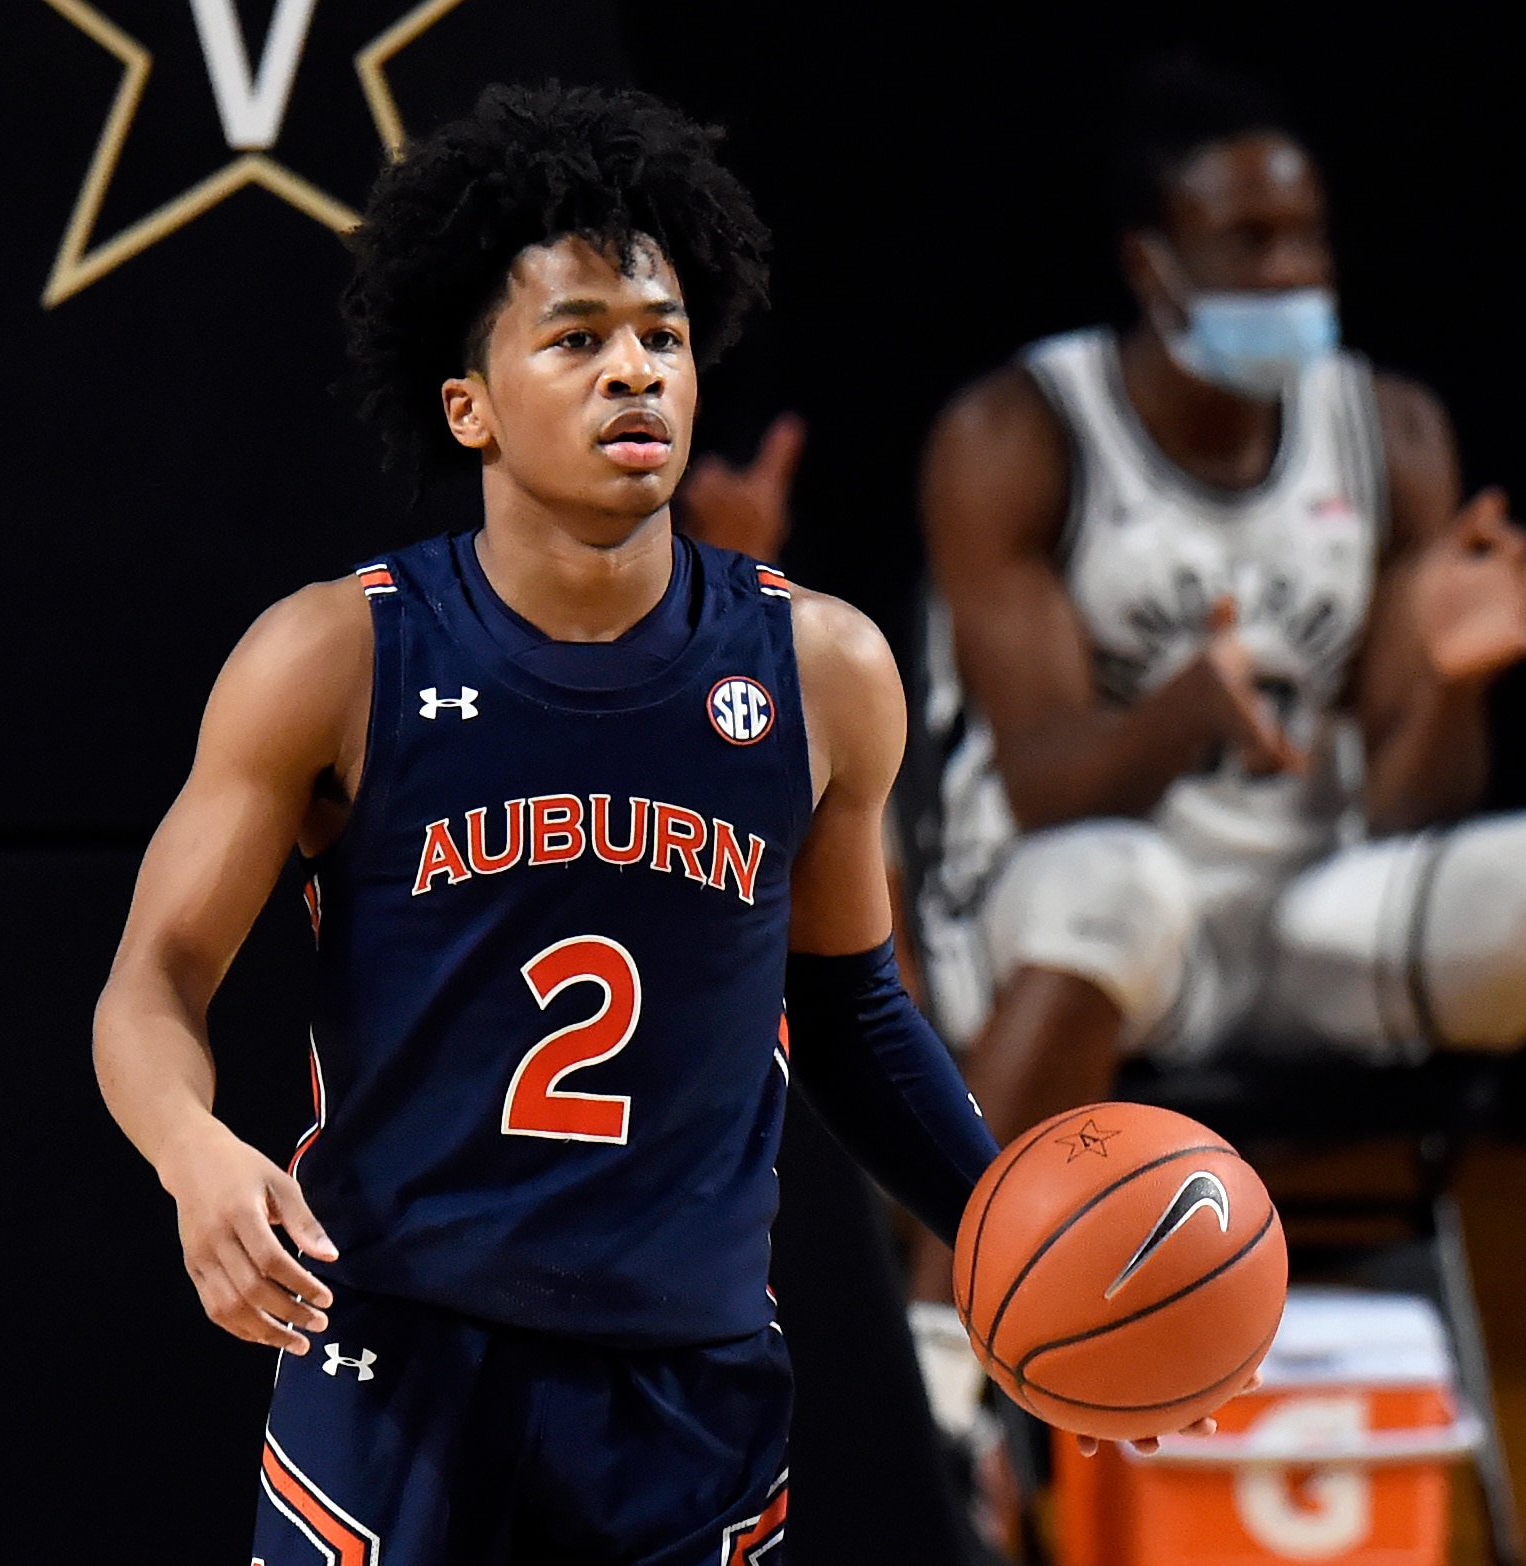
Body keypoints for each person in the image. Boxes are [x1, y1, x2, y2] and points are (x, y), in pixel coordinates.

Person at [93, 83, 1028, 1563]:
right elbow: (154, 977)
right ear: (468, 404)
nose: (634, 371)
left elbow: (851, 1012)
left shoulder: (824, 669)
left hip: (684, 1375)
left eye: (663, 335)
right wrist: (191, 1149)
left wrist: (1021, 1240)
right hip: (397, 1349)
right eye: (577, 338)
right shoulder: (336, 654)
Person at [904, 59, 1526, 1562]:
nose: (1292, 271)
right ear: (1153, 264)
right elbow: (1046, 779)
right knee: (1119, 884)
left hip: (1311, 917)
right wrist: (1188, 710)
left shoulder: (1391, 430)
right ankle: (937, 1399)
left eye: (1309, 234)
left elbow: (1406, 806)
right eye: (1249, 241)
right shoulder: (1021, 434)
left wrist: (1445, 685)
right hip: (1072, 927)